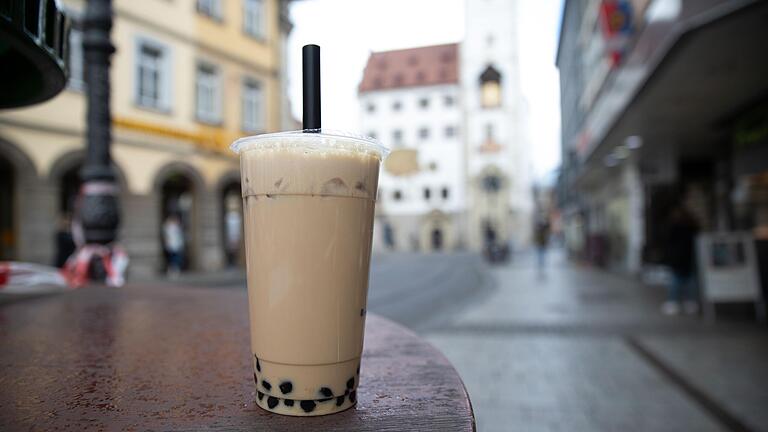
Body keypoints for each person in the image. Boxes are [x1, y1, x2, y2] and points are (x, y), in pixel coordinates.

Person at [662, 204, 700, 315]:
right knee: (689, 281)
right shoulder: (691, 227)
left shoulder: (674, 227)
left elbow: (668, 242)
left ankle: (673, 302)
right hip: (689, 257)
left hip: (678, 258)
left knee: (676, 281)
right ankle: (690, 303)